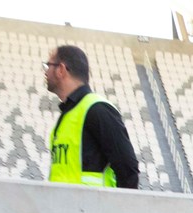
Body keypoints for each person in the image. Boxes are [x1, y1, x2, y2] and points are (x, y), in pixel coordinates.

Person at [44, 44, 139, 188]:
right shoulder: (68, 114)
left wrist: (120, 209)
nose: (45, 72)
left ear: (61, 70)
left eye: (48, 66)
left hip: (93, 208)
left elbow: (127, 169)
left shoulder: (97, 109)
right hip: (64, 207)